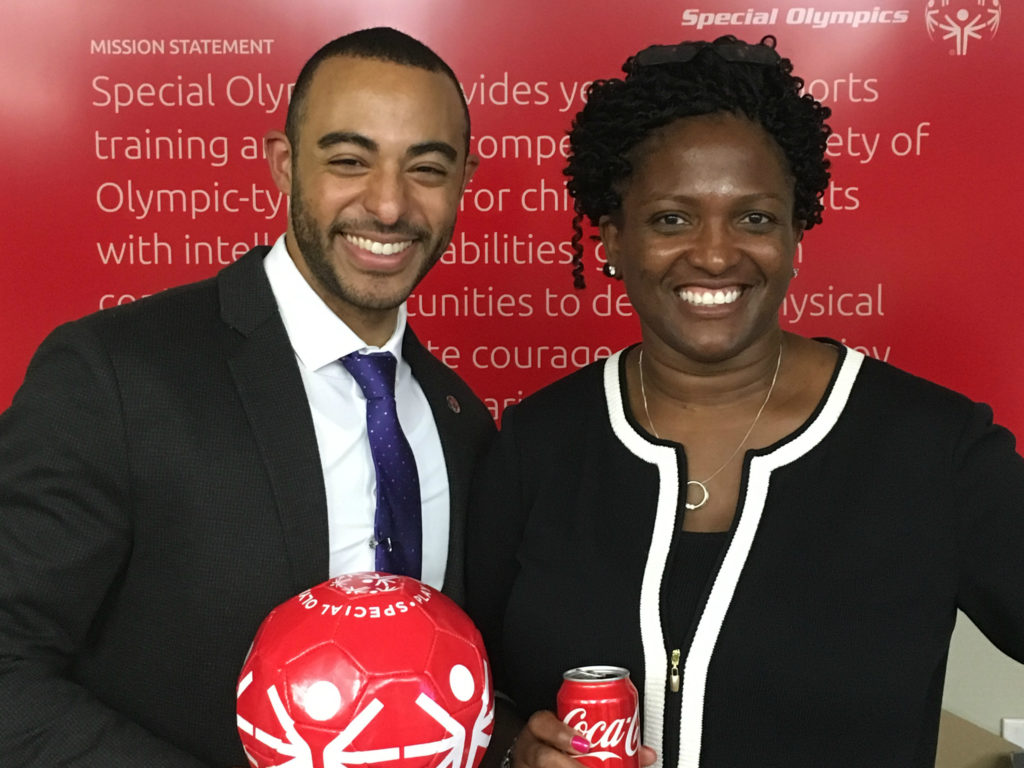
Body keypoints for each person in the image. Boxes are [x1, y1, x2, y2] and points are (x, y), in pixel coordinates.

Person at [466, 35, 1024, 768]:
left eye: (754, 218)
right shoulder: (537, 443)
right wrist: (516, 748)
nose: (717, 254)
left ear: (797, 235)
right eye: (672, 218)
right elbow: (474, 686)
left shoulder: (934, 448)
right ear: (613, 238)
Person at [0, 27, 494, 768]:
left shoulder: (459, 419)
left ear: (463, 182)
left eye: (426, 168)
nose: (390, 206)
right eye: (350, 161)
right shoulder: (115, 374)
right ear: (284, 165)